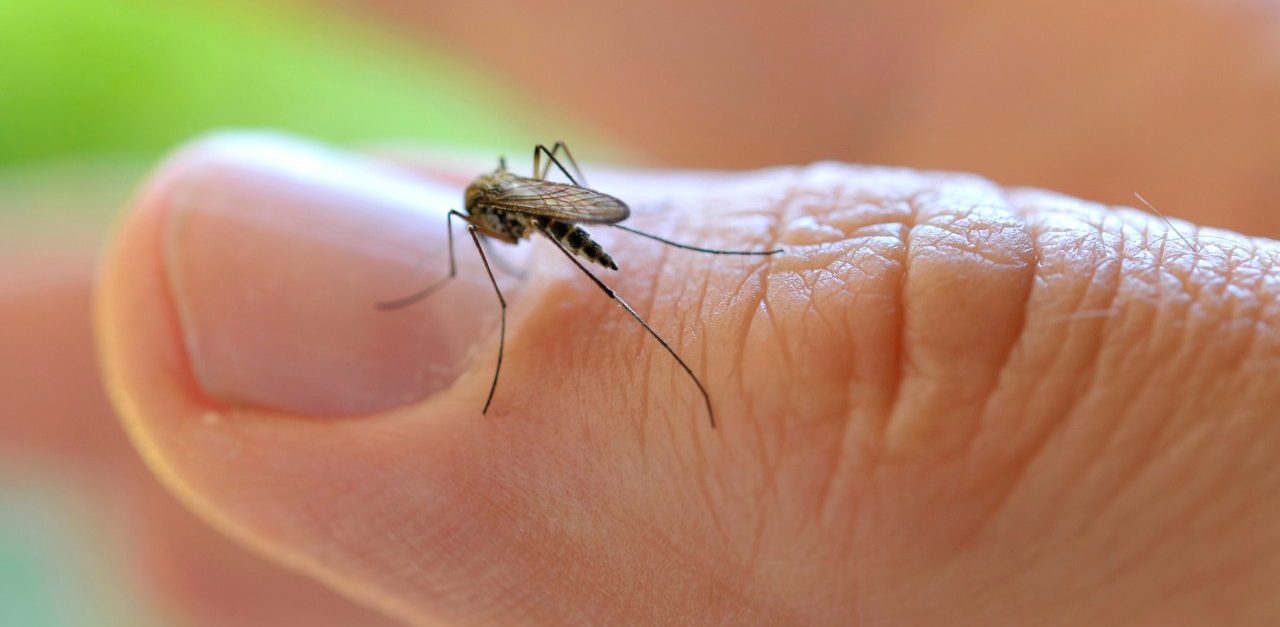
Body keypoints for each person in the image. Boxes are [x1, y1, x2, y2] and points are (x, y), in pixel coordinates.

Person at [90, 130, 1279, 625]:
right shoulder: (489, 210)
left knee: (596, 279)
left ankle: (682, 278)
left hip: (587, 224)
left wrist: (489, 291)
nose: (479, 229)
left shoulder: (499, 213)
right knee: (570, 258)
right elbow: (502, 223)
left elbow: (529, 219)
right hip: (567, 211)